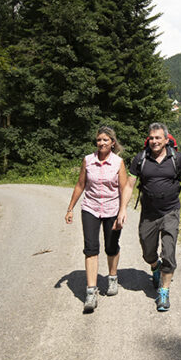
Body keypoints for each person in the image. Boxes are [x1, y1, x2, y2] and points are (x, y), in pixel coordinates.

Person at [117, 122, 181, 312]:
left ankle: (163, 291)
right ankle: (155, 266)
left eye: (158, 138)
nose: (154, 141)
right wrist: (122, 209)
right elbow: (129, 186)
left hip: (170, 211)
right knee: (147, 251)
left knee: (169, 251)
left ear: (166, 139)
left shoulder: (177, 159)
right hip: (149, 213)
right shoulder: (140, 159)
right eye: (151, 138)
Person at [65, 126, 128, 313]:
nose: (101, 143)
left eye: (105, 140)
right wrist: (70, 208)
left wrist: (122, 211)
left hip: (112, 209)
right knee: (91, 248)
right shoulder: (88, 160)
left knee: (111, 246)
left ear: (112, 143)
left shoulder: (118, 163)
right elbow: (80, 185)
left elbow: (124, 189)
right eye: (99, 140)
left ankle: (112, 277)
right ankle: (91, 291)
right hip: (90, 208)